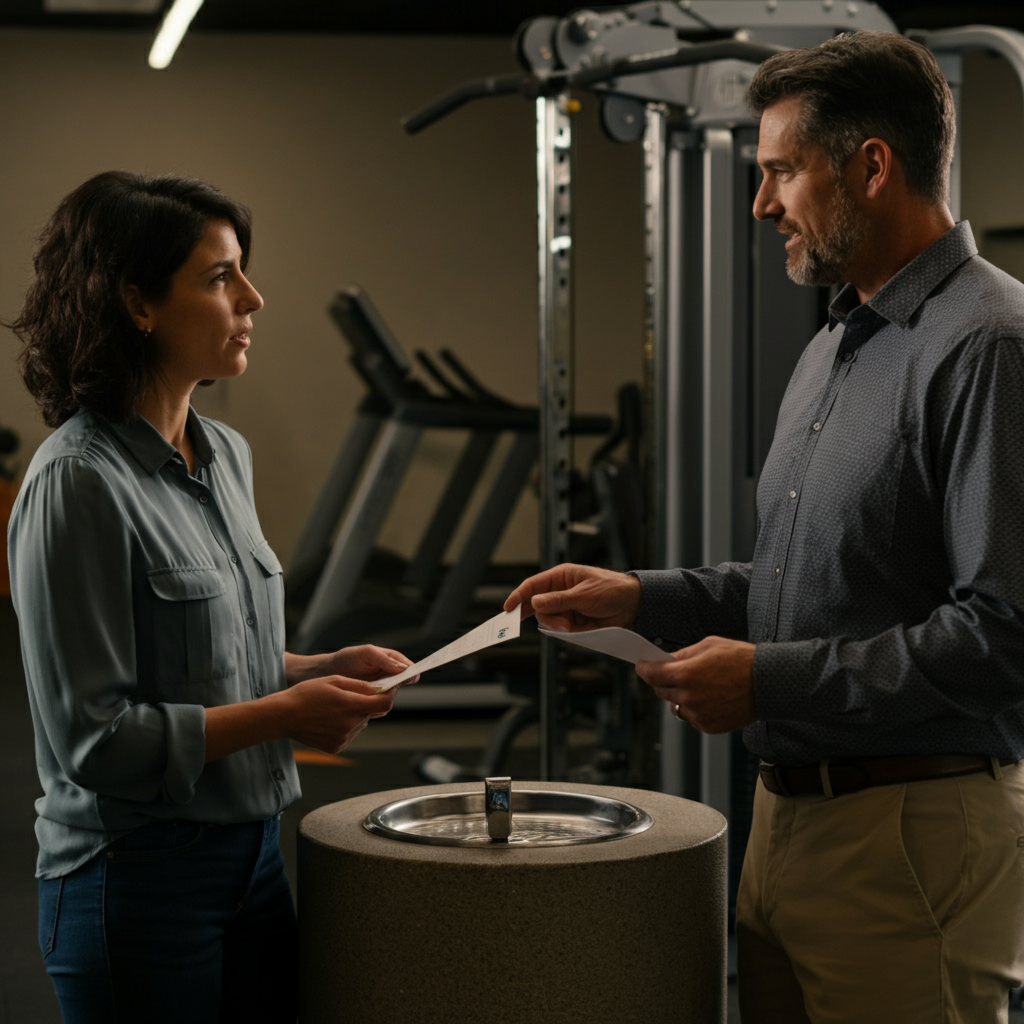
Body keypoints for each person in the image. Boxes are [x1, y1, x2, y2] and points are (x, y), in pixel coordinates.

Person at [506, 31, 1024, 1024]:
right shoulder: (837, 343)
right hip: (787, 820)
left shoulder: (989, 345)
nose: (759, 203)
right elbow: (810, 577)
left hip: (912, 833)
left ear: (871, 167)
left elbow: (1002, 634)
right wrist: (641, 598)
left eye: (779, 171)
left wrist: (764, 678)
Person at [7, 171, 417, 1023]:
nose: (254, 299)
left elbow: (210, 658)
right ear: (138, 304)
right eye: (220, 277)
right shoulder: (76, 483)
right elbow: (98, 737)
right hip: (134, 879)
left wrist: (317, 667)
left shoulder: (224, 454)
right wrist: (287, 714)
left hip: (256, 863)